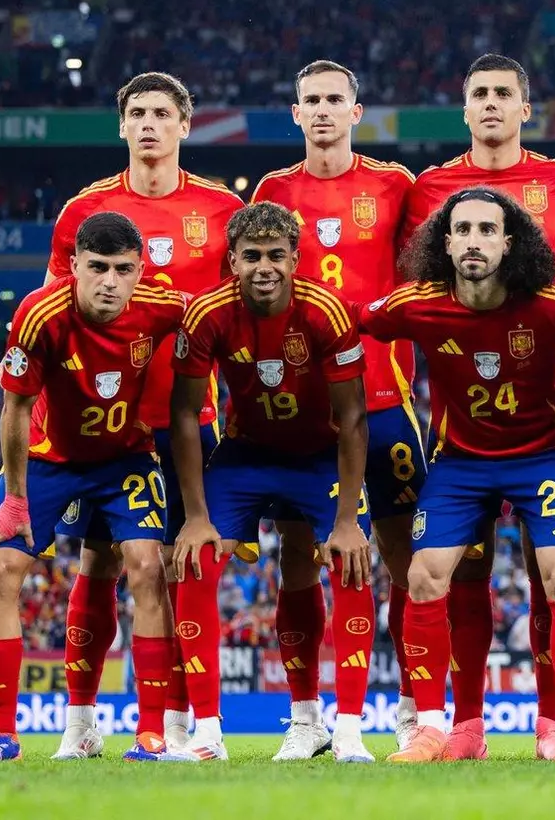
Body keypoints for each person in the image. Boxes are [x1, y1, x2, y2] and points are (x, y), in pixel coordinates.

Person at [401, 54, 555, 759]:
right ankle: (462, 726)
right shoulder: (431, 187)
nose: (491, 103)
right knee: (463, 573)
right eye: (479, 93)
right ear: (465, 109)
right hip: (460, 406)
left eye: (503, 94)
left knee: (553, 571)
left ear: (524, 108)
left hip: (545, 397)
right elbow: (413, 282)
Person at [360, 188, 555, 764]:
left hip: (544, 456)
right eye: (463, 230)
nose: (474, 241)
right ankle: (436, 729)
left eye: (487, 230)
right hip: (462, 462)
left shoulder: (552, 307)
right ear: (445, 244)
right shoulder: (417, 304)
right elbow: (346, 324)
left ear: (508, 243)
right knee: (424, 577)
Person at [46, 72, 242, 757]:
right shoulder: (85, 210)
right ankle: (80, 725)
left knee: (184, 569)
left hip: (191, 417)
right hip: (109, 426)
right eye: (138, 112)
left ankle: (174, 727)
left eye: (163, 112)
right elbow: (53, 318)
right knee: (99, 563)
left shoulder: (221, 208)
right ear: (122, 125)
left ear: (185, 125)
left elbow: (240, 317)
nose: (150, 123)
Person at [250, 60, 425, 759]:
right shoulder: (272, 191)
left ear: (357, 112)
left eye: (334, 100)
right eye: (311, 101)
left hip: (384, 401)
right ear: (296, 114)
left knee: (404, 559)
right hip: (303, 413)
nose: (322, 110)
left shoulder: (394, 185)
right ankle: (306, 718)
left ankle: (413, 712)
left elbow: (421, 281)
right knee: (298, 554)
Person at [0, 213, 182, 763]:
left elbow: (219, 317)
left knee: (147, 565)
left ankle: (151, 733)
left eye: (123, 270)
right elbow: (14, 408)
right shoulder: (39, 313)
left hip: (125, 457)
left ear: (140, 271)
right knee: (0, 569)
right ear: (74, 266)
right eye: (98, 267)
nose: (110, 281)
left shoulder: (162, 306)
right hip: (47, 458)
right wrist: (15, 501)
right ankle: (0, 733)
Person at [164, 202, 372, 763]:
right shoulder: (207, 313)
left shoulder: (326, 311)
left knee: (349, 559)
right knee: (194, 557)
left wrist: (348, 520)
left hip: (320, 456)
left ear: (295, 260)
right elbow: (184, 413)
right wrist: (196, 516)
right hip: (247, 454)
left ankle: (345, 730)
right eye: (251, 256)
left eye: (276, 255)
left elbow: (354, 417)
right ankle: (206, 732)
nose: (264, 267)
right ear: (232, 261)